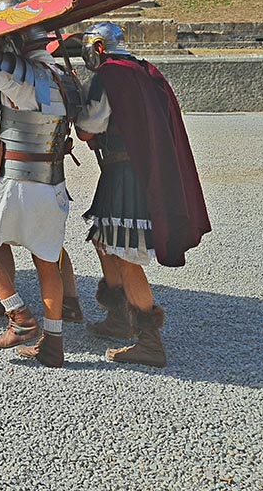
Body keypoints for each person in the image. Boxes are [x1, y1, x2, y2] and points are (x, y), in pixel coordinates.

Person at [76, 21, 211, 367]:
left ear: (99, 47)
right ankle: (118, 317)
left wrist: (78, 104)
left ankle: (149, 341)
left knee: (126, 256)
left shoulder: (109, 76)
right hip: (137, 169)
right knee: (104, 241)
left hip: (126, 175)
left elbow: (88, 129)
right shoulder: (145, 71)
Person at [0, 21, 81, 367]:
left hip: (16, 182)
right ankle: (53, 343)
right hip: (53, 183)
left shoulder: (22, 74)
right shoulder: (66, 79)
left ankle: (19, 316)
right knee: (47, 263)